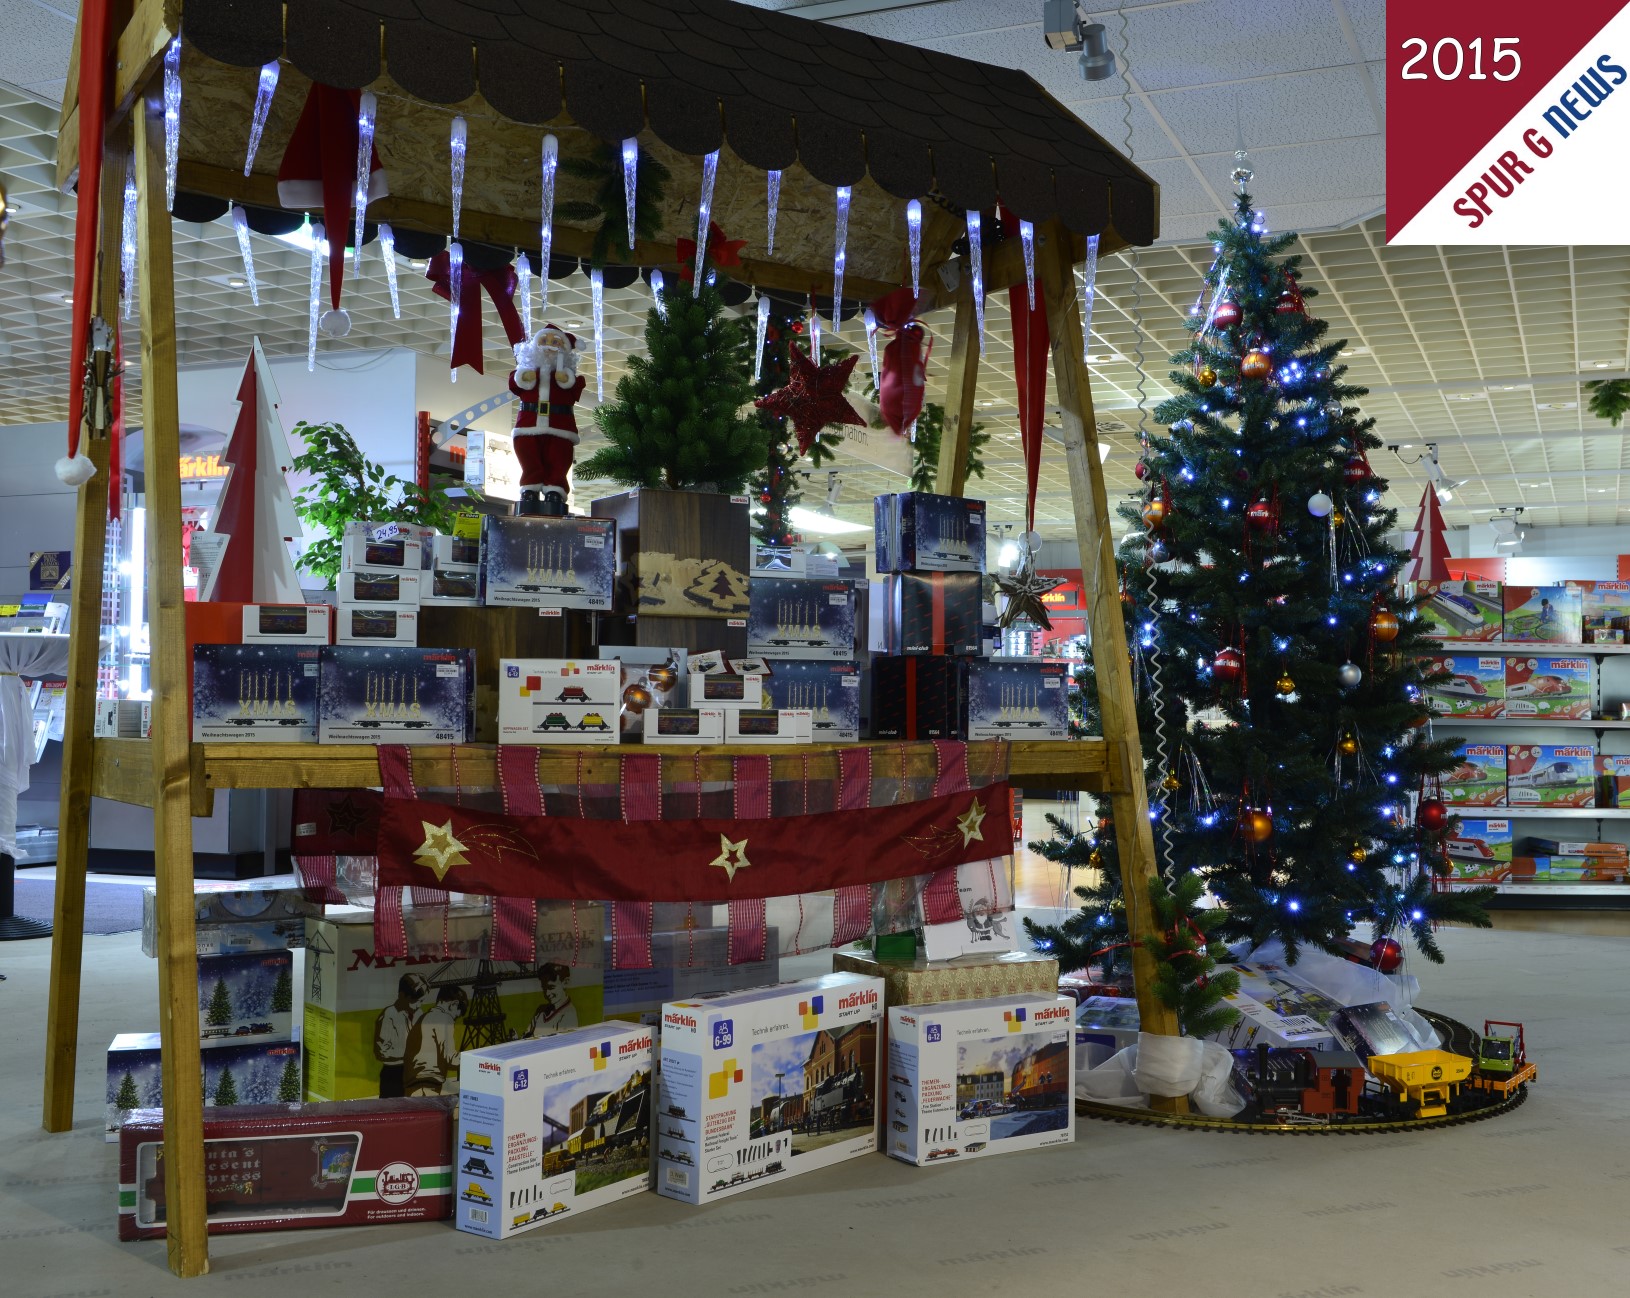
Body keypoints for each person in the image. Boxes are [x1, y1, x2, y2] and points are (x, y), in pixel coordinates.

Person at [405, 985, 467, 1096]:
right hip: (428, 1083)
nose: (454, 1020)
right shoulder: (444, 1018)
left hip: (412, 1083)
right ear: (454, 1004)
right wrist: (474, 1061)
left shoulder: (423, 1018)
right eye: (456, 1017)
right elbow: (450, 1058)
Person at [373, 973, 426, 1098]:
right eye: (415, 1001)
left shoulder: (418, 1013)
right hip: (394, 1073)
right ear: (402, 996)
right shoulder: (389, 1015)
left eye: (421, 1001)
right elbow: (381, 1052)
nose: (419, 1005)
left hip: (413, 1072)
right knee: (391, 1109)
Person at [525, 962, 579, 1038]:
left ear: (565, 983)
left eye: (551, 987)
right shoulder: (541, 1009)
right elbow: (526, 1035)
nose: (547, 993)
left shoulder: (569, 1015)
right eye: (544, 988)